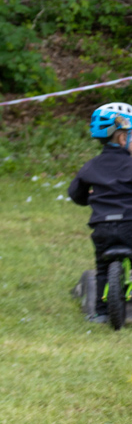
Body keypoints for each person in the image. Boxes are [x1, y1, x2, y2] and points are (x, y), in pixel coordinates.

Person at [68, 102, 132, 323]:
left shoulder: (91, 166)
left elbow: (75, 194)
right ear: (122, 138)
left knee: (102, 267)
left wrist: (92, 199)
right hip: (130, 224)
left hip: (102, 226)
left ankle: (100, 312)